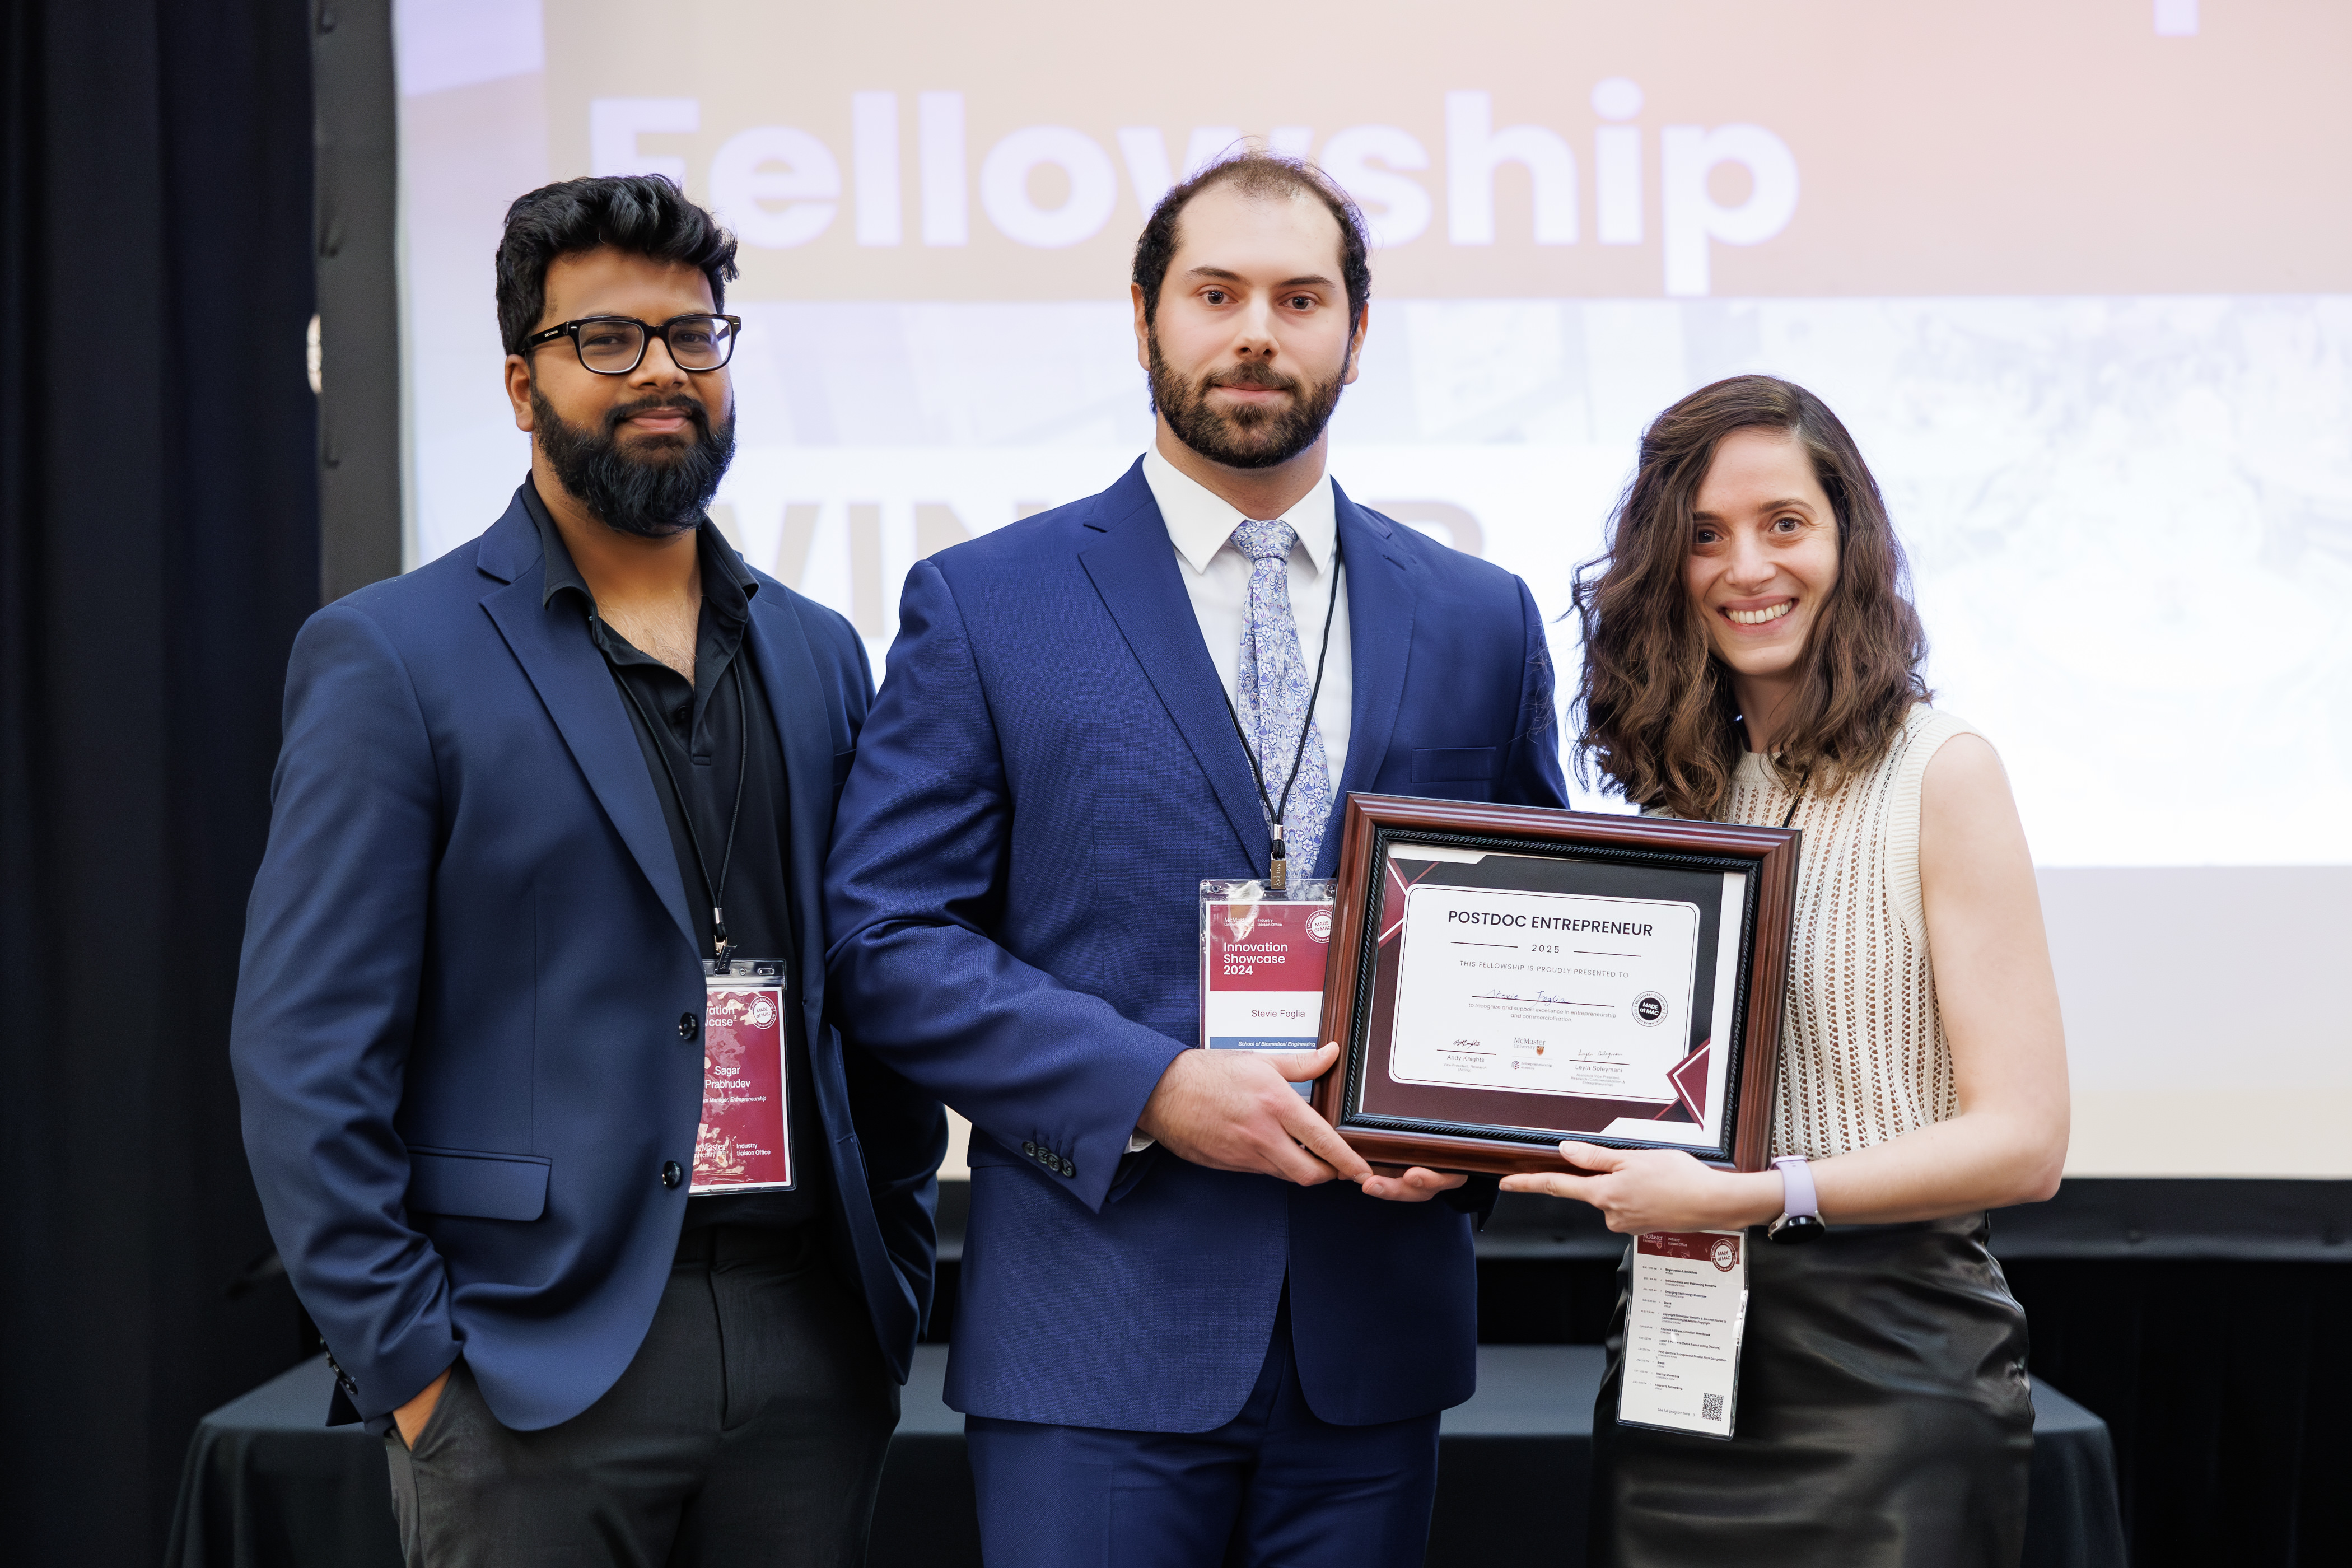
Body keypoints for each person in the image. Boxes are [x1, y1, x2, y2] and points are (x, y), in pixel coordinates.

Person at [822, 152, 1567, 1567]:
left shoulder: (1480, 616)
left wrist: (1470, 1141)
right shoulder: (987, 604)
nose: (1257, 333)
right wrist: (1154, 1087)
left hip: (1373, 1341)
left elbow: (1525, 931)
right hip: (1098, 1341)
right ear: (1145, 315)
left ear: (1357, 329)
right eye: (1215, 293)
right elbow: (888, 942)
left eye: (1301, 298)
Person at [229, 175, 944, 1568]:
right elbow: (304, 1052)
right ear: (520, 382)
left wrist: (896, 1267)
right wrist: (418, 1371)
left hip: (809, 1341)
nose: (661, 372)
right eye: (606, 339)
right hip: (524, 1367)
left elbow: (874, 986)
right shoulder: (392, 656)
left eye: (692, 336)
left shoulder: (817, 650)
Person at [1501, 374, 2070, 1567]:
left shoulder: (1942, 770)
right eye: (1703, 535)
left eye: (1784, 523)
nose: (1746, 566)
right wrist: (1437, 1137)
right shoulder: (1676, 799)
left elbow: (2025, 1139)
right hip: (1678, 1354)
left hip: (1897, 1368)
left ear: (1847, 539)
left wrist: (1760, 1194)